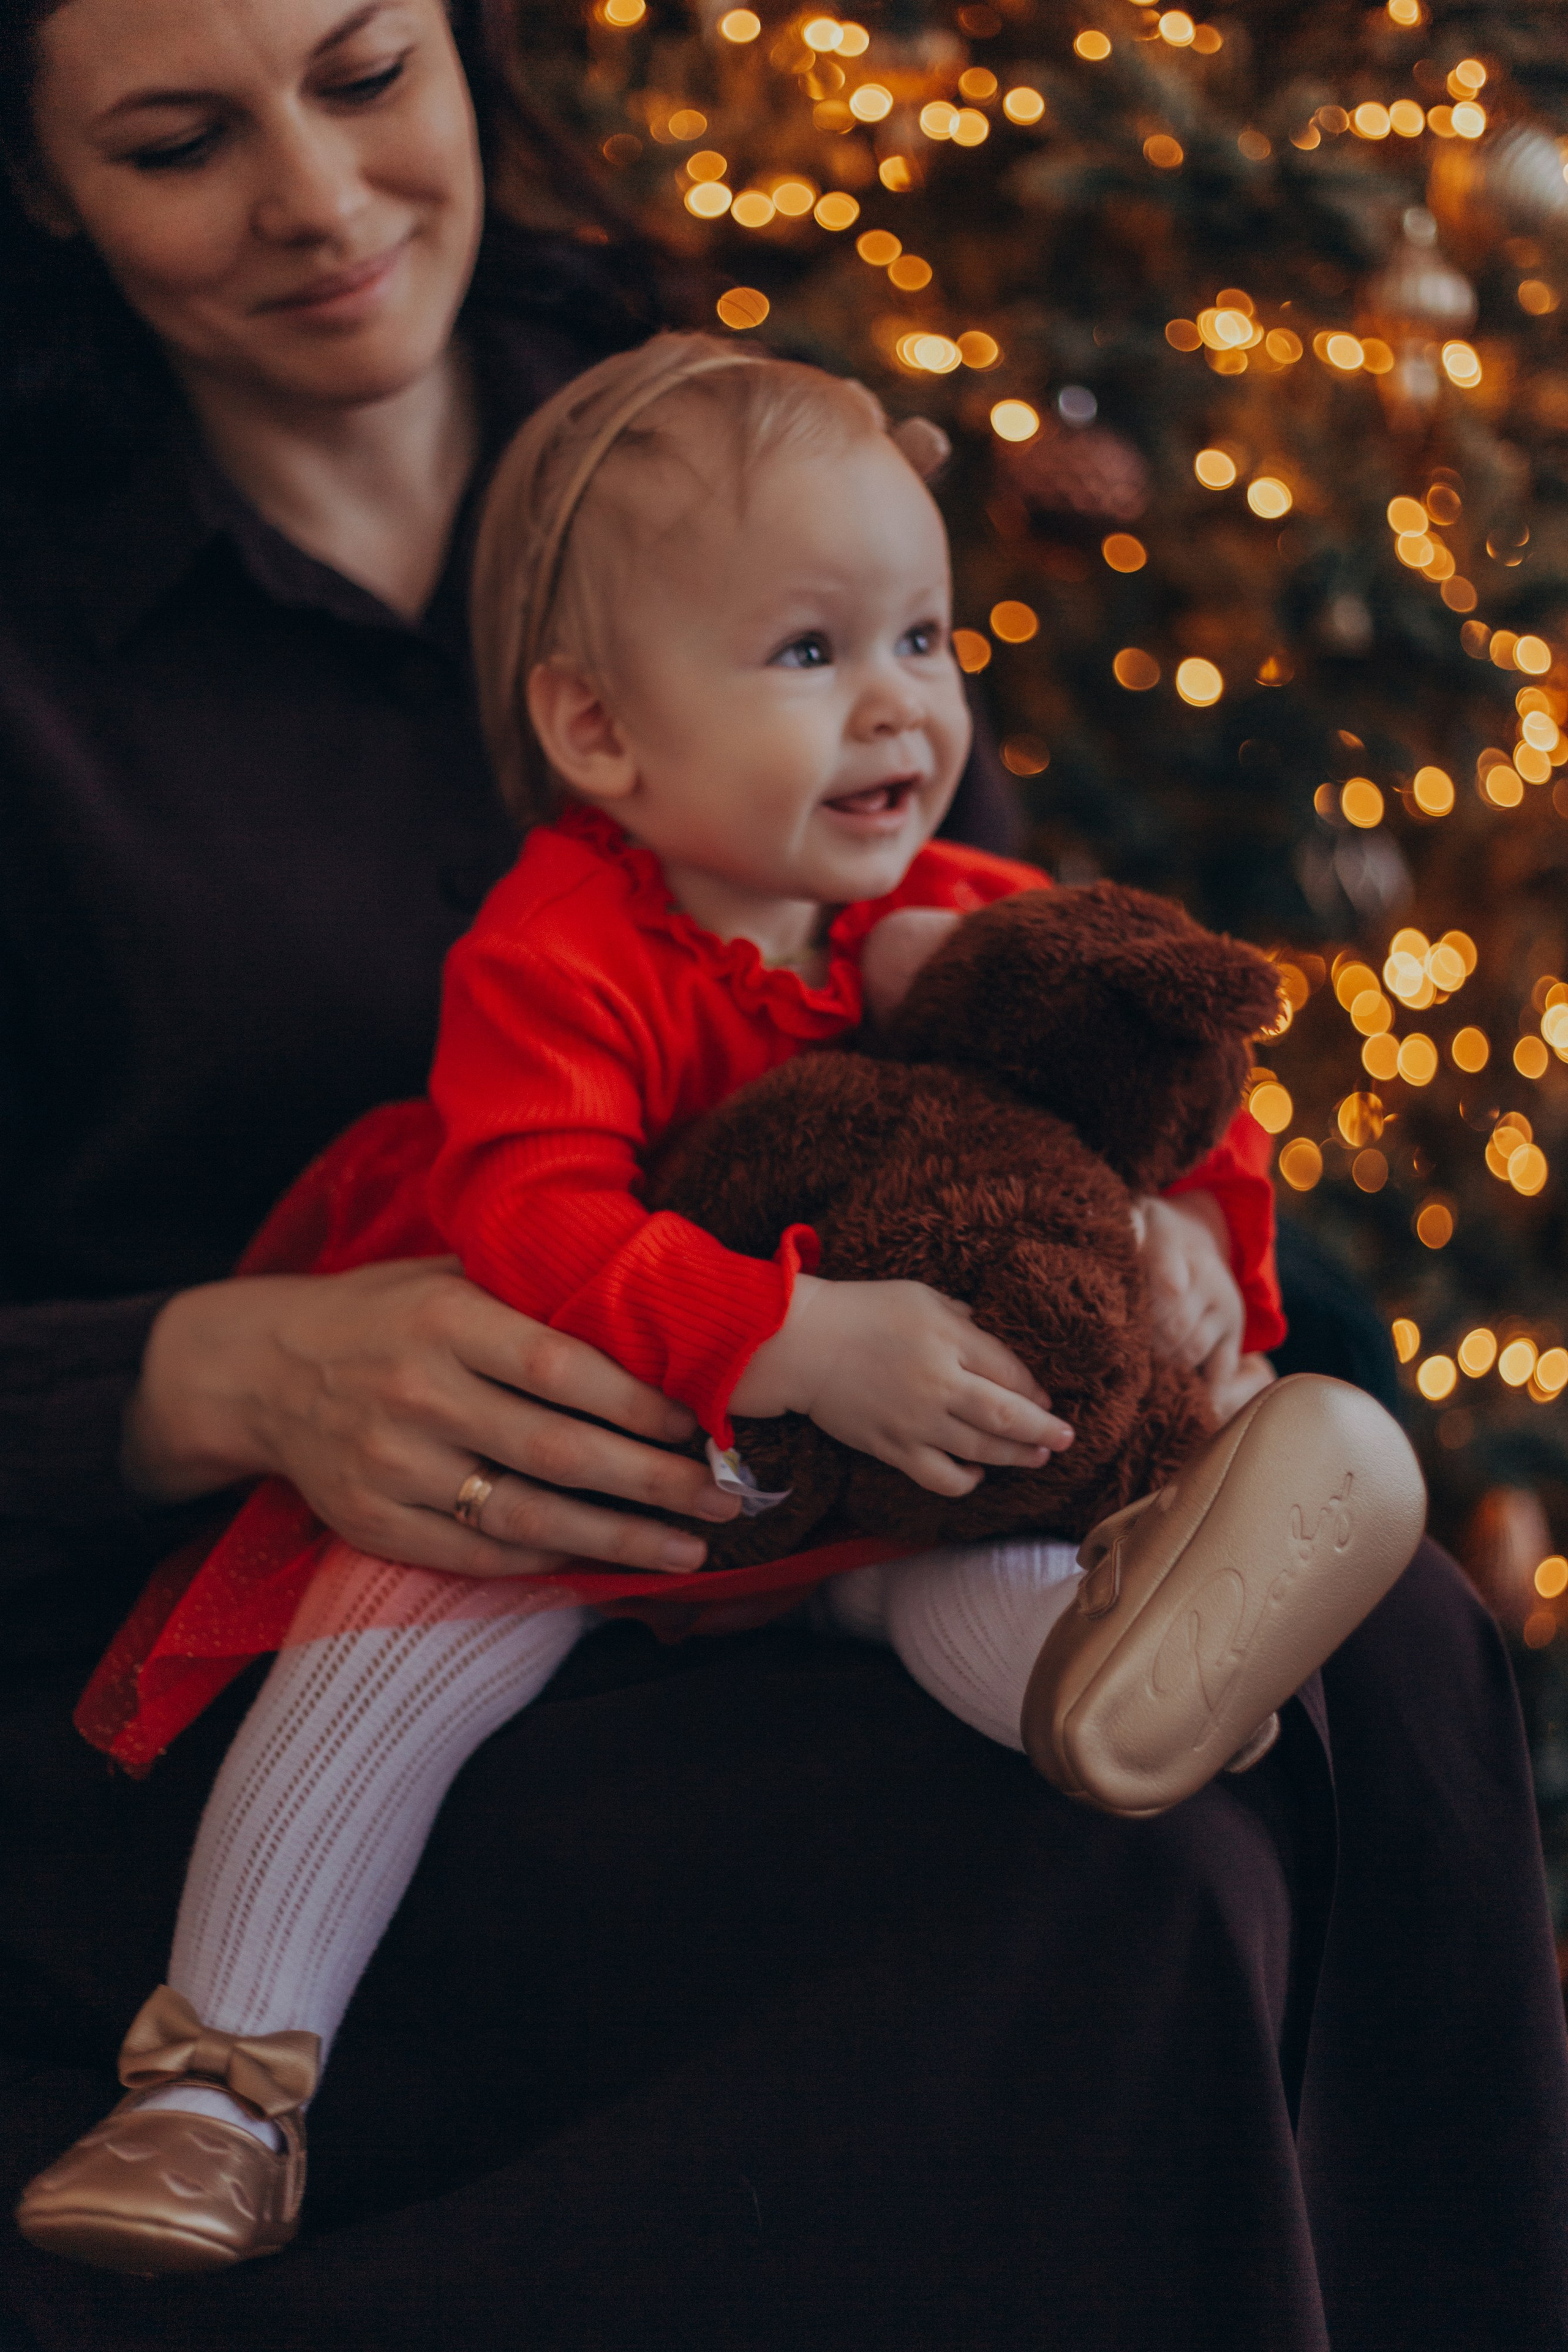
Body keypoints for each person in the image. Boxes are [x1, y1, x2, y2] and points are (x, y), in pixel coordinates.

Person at [2, 0, 1566, 2343]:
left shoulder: (690, 415)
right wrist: (211, 1372)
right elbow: (521, 1195)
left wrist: (1157, 1245)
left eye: (361, 74)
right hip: (341, 1550)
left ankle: (1136, 1691)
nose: (319, 201)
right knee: (1102, 1903)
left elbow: (1008, 974)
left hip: (834, 1455)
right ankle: (222, 2076)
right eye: (174, 138)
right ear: (38, 178)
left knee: (1384, 1659)